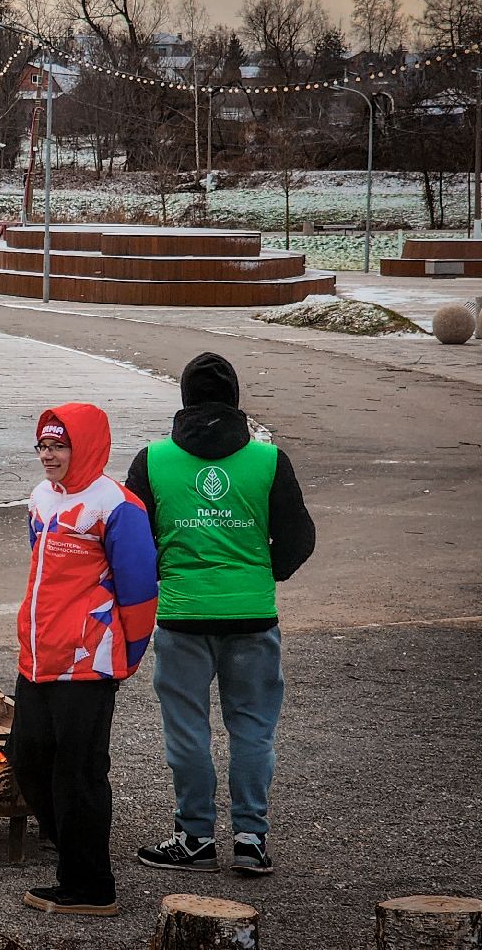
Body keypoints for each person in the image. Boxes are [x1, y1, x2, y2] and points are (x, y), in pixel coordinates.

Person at [126, 352, 315, 878]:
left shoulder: (153, 460)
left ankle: (195, 837)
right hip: (253, 615)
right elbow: (299, 537)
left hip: (183, 616)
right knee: (253, 728)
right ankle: (251, 838)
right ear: (236, 401)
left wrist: (171, 574)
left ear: (184, 399)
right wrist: (260, 574)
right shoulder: (268, 461)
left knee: (187, 729)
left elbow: (132, 544)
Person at [11, 402, 158, 917]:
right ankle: (72, 852)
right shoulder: (39, 499)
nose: (49, 455)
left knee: (79, 773)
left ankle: (92, 885)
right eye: (43, 446)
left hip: (88, 661)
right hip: (38, 655)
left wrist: (127, 657)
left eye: (59, 445)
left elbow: (140, 592)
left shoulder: (118, 506)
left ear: (85, 445)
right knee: (28, 760)